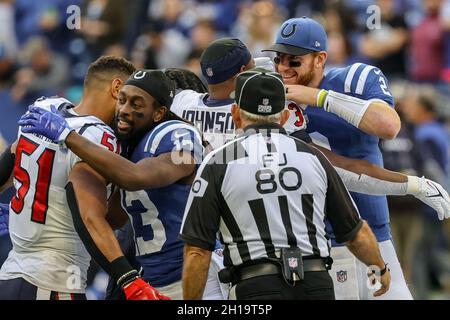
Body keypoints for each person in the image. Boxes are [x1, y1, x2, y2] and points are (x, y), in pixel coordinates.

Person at [180, 68, 391, 300]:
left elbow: (198, 251)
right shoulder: (313, 157)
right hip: (315, 284)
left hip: (255, 285)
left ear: (235, 114)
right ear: (284, 117)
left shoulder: (218, 161)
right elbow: (355, 233)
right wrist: (379, 267)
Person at [19, 69, 204, 300]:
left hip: (191, 273)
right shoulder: (125, 146)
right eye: (122, 100)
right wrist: (35, 201)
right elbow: (112, 217)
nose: (124, 110)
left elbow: (136, 177)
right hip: (153, 277)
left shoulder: (178, 135)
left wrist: (69, 136)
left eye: (137, 104)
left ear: (159, 113)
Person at [262, 16, 409, 299]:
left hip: (372, 232)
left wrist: (318, 97)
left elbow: (389, 126)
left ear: (320, 59)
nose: (283, 67)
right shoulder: (271, 97)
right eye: (279, 59)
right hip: (313, 244)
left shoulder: (355, 78)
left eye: (294, 61)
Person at [0, 56, 167, 300]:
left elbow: (13, 154)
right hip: (54, 282)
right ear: (117, 88)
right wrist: (128, 278)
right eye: (130, 98)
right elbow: (89, 214)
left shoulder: (46, 108)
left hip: (11, 274)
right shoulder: (98, 137)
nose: (130, 110)